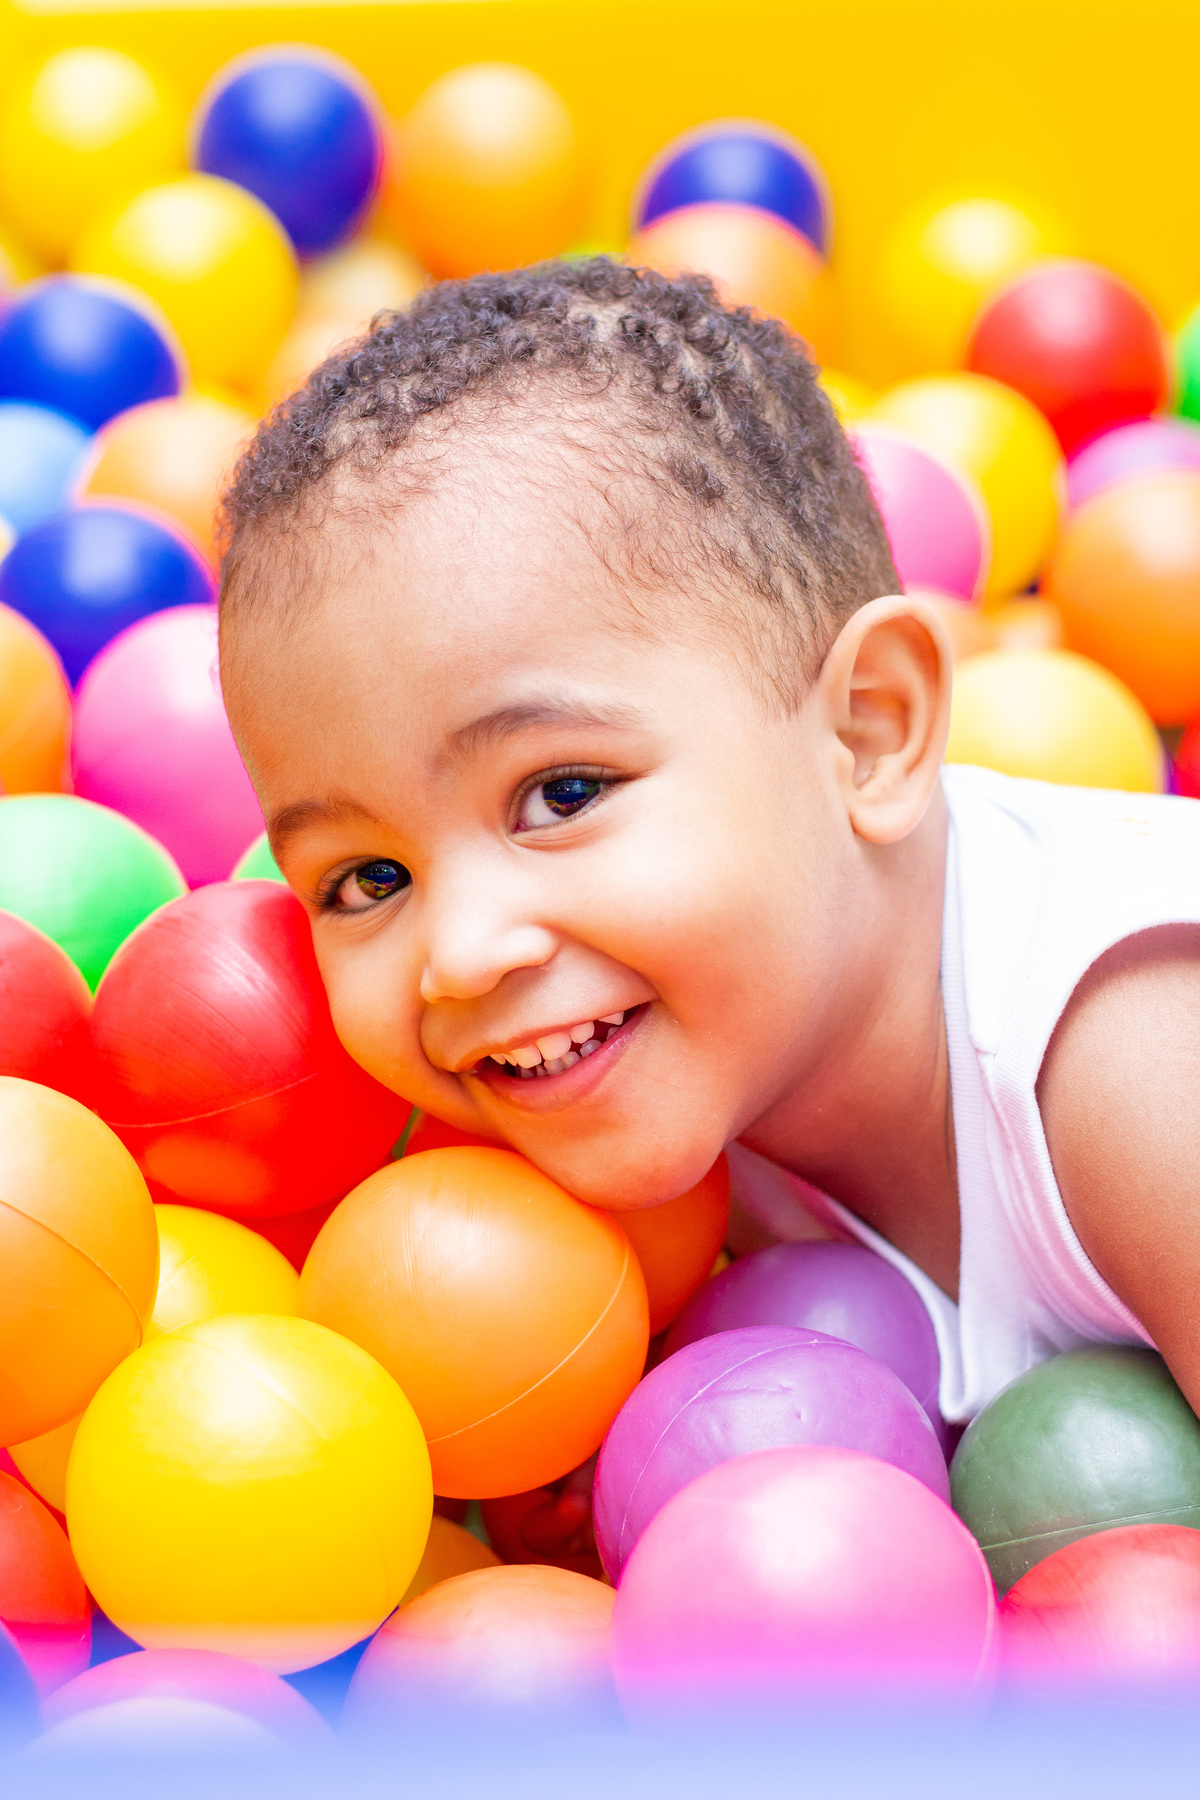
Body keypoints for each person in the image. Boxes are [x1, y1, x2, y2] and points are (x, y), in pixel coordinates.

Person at [218, 257, 1200, 1430]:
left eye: (564, 791)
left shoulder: (1139, 1064)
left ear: (867, 730)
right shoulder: (618, 1116)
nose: (463, 954)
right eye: (368, 880)